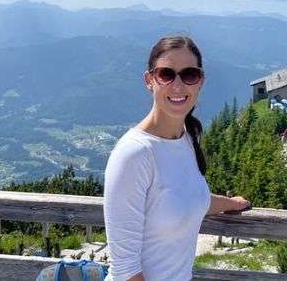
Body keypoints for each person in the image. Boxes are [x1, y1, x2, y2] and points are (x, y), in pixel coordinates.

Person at [104, 36, 251, 281]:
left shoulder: (186, 138)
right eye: (166, 74)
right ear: (149, 80)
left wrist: (231, 204)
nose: (178, 85)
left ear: (200, 81)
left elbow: (187, 197)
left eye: (189, 74)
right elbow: (125, 271)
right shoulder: (134, 154)